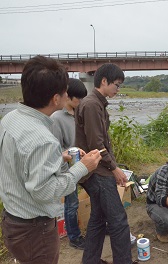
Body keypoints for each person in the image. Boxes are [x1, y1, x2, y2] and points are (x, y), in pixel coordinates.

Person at [0, 55, 101, 264]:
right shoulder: (43, 139)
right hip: (35, 230)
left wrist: (60, 158)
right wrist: (83, 167)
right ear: (56, 98)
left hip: (12, 218)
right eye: (65, 92)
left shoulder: (11, 119)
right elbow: (46, 191)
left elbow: (22, 164)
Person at [75, 63, 132, 263]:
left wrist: (115, 166)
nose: (118, 89)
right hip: (97, 173)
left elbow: (102, 142)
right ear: (104, 81)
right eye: (117, 85)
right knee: (118, 222)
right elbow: (96, 144)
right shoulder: (91, 104)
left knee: (98, 220)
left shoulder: (97, 103)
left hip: (97, 171)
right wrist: (114, 168)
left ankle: (90, 260)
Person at [50, 78, 88, 250]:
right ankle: (74, 237)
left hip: (85, 165)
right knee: (71, 204)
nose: (80, 102)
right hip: (68, 169)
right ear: (68, 97)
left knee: (96, 195)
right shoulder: (56, 118)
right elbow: (56, 149)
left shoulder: (80, 113)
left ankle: (99, 225)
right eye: (77, 99)